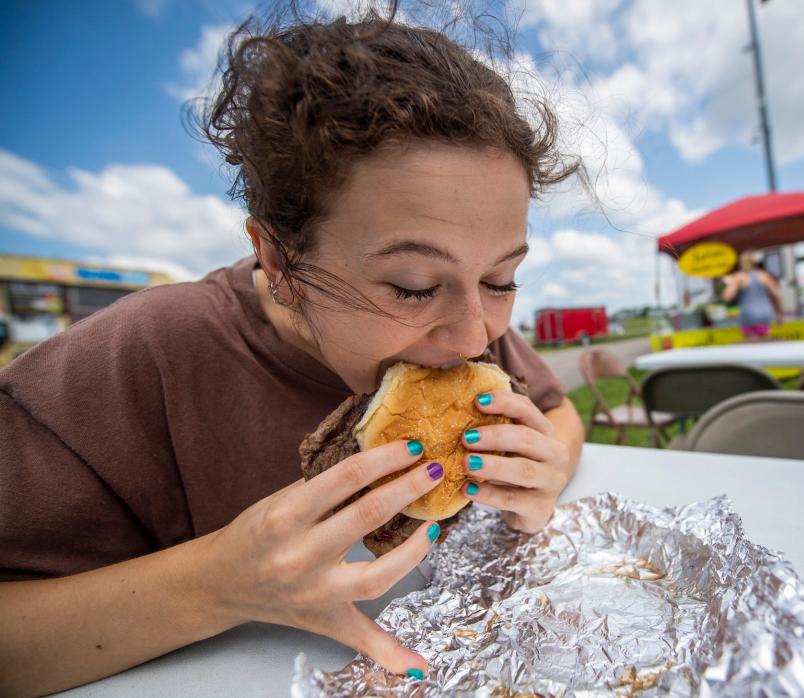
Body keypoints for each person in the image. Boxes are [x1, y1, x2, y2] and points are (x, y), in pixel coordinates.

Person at [0, 5, 586, 694]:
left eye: (501, 278)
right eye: (412, 286)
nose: (471, 334)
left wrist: (538, 470)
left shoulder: (471, 337)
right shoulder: (135, 357)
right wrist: (217, 583)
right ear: (277, 261)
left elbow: (560, 413)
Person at [721, 250, 783, 339]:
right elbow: (776, 295)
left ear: (740, 263)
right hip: (765, 313)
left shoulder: (739, 277)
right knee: (765, 344)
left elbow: (727, 296)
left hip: (748, 314)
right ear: (756, 262)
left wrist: (729, 282)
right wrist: (779, 315)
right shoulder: (764, 275)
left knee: (751, 346)